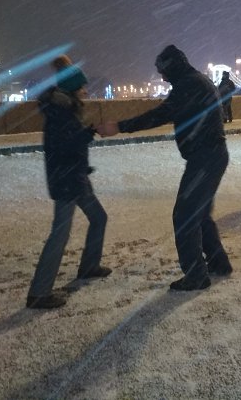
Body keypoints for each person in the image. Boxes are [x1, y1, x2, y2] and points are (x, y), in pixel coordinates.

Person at [97, 45, 232, 291]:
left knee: (185, 216)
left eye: (163, 72)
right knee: (199, 214)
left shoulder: (188, 85)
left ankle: (196, 275)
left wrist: (119, 126)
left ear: (173, 67)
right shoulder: (196, 80)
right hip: (212, 154)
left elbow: (158, 115)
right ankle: (219, 263)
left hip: (205, 157)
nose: (162, 77)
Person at [27, 56, 110, 309]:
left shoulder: (64, 109)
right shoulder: (61, 112)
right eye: (82, 86)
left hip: (75, 177)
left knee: (99, 218)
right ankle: (39, 292)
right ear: (73, 88)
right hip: (67, 181)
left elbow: (67, 144)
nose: (85, 90)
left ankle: (89, 266)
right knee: (59, 234)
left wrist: (82, 160)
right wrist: (89, 133)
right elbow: (66, 145)